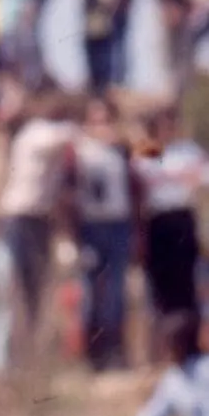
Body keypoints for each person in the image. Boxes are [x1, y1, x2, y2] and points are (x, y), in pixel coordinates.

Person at [0, 89, 77, 366]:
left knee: (35, 285)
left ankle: (29, 351)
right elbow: (65, 136)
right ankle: (10, 356)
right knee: (20, 284)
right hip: (22, 216)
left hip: (37, 218)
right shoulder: (36, 134)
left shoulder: (38, 136)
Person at [133, 104, 207, 334]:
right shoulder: (147, 149)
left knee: (186, 277)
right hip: (157, 220)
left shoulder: (188, 150)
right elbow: (144, 176)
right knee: (161, 279)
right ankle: (164, 336)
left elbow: (202, 176)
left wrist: (174, 176)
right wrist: (179, 176)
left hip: (182, 217)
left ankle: (189, 335)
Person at [73, 95, 134, 370]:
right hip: (90, 225)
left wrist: (125, 137)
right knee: (89, 291)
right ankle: (92, 354)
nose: (101, 125)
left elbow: (154, 152)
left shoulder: (122, 149)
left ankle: (114, 351)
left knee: (116, 292)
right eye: (95, 120)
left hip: (118, 224)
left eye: (105, 120)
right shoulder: (78, 149)